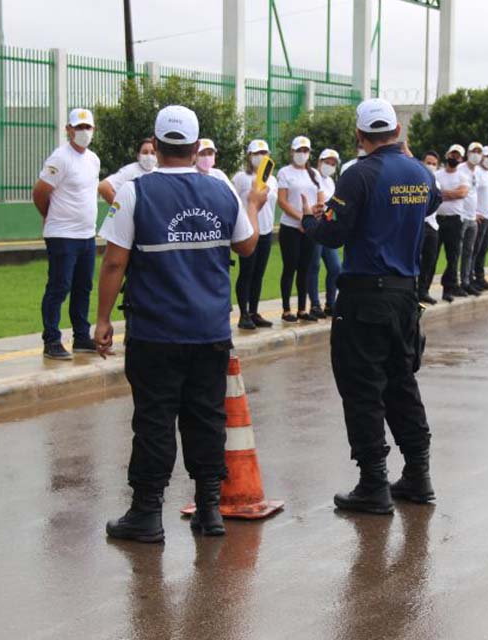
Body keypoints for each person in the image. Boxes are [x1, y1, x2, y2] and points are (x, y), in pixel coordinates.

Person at [96, 105, 266, 542]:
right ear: (195, 147)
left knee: (154, 420)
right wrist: (252, 204)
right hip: (210, 331)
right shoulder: (222, 191)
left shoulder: (134, 193)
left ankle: (147, 514)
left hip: (155, 332)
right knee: (207, 417)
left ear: (156, 145)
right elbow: (247, 245)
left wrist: (102, 320)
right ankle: (210, 510)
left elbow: (114, 262)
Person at [300, 97, 441, 514]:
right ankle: (418, 473)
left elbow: (332, 233)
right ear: (398, 131)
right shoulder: (421, 172)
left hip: (365, 296)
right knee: (401, 383)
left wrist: (311, 220)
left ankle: (373, 483)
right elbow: (431, 203)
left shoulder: (359, 174)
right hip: (404, 296)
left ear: (360, 136)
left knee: (362, 388)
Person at [32, 108, 101, 360]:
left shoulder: (93, 159)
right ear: (69, 130)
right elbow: (40, 192)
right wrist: (50, 215)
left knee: (83, 287)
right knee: (59, 287)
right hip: (62, 234)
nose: (83, 132)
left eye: (87, 127)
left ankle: (81, 336)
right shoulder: (60, 158)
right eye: (78, 127)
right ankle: (51, 339)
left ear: (93, 130)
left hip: (87, 235)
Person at [276, 135, 324, 323]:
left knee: (305, 268)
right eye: (299, 150)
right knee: (290, 267)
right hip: (291, 227)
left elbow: (320, 198)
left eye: (305, 150)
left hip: (309, 228)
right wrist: (302, 218)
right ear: (292, 152)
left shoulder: (314, 174)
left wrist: (314, 215)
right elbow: (282, 201)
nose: (302, 154)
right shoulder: (285, 172)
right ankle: (286, 309)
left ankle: (302, 308)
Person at [233, 139, 278, 330]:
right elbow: (234, 202)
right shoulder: (241, 178)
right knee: (247, 272)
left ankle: (253, 311)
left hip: (266, 230)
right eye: (256, 154)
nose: (260, 157)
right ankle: (243, 313)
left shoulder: (272, 180)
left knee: (258, 273)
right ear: (249, 156)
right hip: (248, 231)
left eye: (264, 153)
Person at [307, 148, 343, 318]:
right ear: (319, 162)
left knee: (335, 267)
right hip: (316, 226)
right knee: (314, 266)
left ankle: (330, 302)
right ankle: (315, 304)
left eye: (333, 163)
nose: (329, 166)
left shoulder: (330, 182)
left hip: (327, 227)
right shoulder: (313, 176)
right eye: (327, 162)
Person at [434, 144, 470, 302]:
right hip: (437, 219)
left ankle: (448, 289)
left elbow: (462, 193)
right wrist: (451, 194)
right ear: (447, 154)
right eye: (452, 154)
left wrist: (443, 193)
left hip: (454, 220)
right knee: (431, 256)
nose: (454, 158)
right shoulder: (437, 175)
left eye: (457, 156)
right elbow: (433, 193)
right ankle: (423, 289)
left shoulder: (462, 176)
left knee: (453, 256)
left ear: (461, 159)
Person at [98, 138, 157, 205]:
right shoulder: (130, 171)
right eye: (145, 152)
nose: (149, 156)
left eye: (153, 153)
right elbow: (103, 187)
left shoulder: (158, 172)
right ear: (138, 156)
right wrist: (120, 207)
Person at [457, 142, 483, 297]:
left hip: (472, 217)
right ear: (468, 153)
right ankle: (454, 282)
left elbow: (476, 193)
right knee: (457, 251)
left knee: (469, 251)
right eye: (474, 151)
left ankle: (466, 282)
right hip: (461, 216)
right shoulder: (460, 169)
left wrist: (477, 211)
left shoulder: (478, 171)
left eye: (479, 152)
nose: (476, 155)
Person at [417, 151, 442, 305]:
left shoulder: (436, 183)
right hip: (418, 224)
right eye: (428, 163)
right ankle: (412, 291)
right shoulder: (416, 179)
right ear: (422, 163)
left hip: (432, 225)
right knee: (415, 259)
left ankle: (424, 290)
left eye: (434, 164)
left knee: (430, 259)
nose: (431, 166)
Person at [472, 145, 488, 289]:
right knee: (475, 249)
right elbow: (472, 192)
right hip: (479, 216)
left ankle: (479, 276)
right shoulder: (476, 171)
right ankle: (470, 277)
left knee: (483, 249)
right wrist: (474, 213)